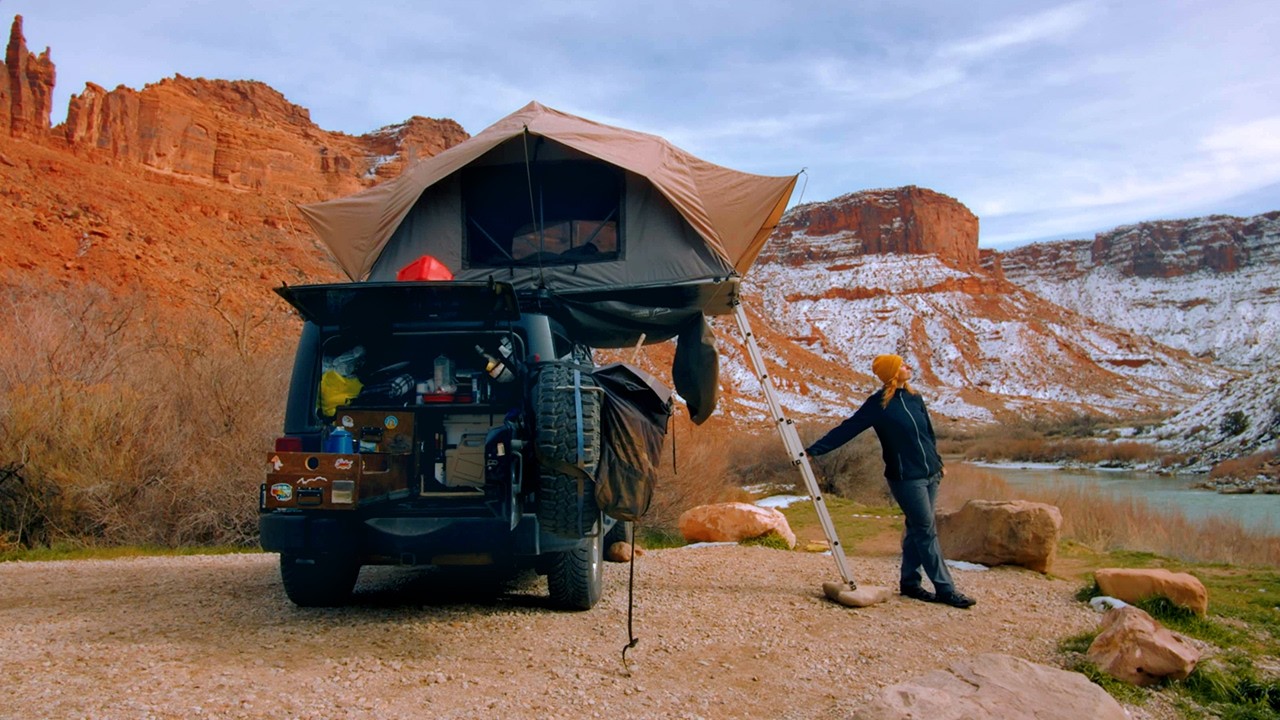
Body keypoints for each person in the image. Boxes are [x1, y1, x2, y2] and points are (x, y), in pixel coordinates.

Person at [805, 354, 976, 609]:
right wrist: (813, 450)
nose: (908, 366)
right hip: (906, 478)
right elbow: (848, 428)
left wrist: (938, 462)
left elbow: (928, 434)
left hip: (931, 475)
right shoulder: (878, 405)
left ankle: (910, 584)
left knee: (917, 528)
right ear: (892, 372)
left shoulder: (915, 398)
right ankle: (946, 590)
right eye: (902, 365)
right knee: (926, 530)